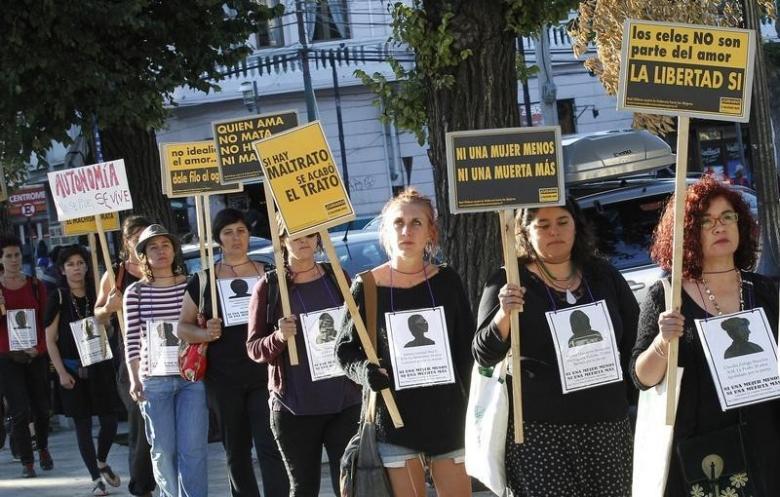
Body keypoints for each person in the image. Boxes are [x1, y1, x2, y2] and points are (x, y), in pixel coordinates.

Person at [473, 197, 638, 497]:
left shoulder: (603, 276)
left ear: (577, 226)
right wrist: (504, 314)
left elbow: (634, 342)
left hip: (608, 428)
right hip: (540, 435)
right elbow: (483, 353)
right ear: (525, 231)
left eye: (563, 222)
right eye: (543, 225)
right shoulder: (508, 281)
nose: (555, 232)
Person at [632, 177, 780, 497]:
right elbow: (641, 378)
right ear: (687, 234)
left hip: (765, 442)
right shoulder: (667, 295)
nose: (720, 227)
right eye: (706, 221)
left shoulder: (765, 290)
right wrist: (662, 342)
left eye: (728, 217)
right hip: (701, 449)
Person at [336, 188, 475, 497]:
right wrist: (365, 372)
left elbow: (467, 351)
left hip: (449, 417)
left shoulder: (448, 282)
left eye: (416, 223)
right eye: (398, 222)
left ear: (430, 232)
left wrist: (477, 412)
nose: (406, 230)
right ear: (386, 231)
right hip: (396, 421)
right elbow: (344, 350)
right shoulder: (367, 286)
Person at [246, 213, 360, 497]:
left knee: (349, 486)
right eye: (295, 235)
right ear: (282, 240)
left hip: (343, 401)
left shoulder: (337, 277)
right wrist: (279, 337)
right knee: (304, 488)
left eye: (309, 235)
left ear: (318, 239)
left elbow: (359, 330)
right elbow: (254, 348)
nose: (303, 241)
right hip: (295, 407)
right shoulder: (270, 287)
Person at [179, 208, 289, 497]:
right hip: (222, 378)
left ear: (249, 234)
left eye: (240, 230)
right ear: (218, 239)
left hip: (264, 372)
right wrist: (205, 333)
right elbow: (182, 328)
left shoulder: (269, 273)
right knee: (236, 449)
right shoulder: (203, 280)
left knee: (270, 444)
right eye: (228, 232)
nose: (236, 237)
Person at [123, 224, 208, 497]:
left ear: (174, 250)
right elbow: (131, 339)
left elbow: (201, 325)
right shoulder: (134, 292)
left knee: (193, 450)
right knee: (162, 450)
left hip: (191, 378)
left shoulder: (192, 284)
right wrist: (135, 378)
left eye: (165, 245)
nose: (160, 251)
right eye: (153, 247)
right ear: (144, 255)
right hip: (154, 381)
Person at [44, 245, 122, 496]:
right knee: (83, 424)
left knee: (110, 420)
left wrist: (107, 316)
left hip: (99, 365)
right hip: (72, 369)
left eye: (80, 263)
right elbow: (50, 339)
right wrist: (61, 372)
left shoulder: (97, 294)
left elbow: (109, 331)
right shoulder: (58, 297)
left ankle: (101, 459)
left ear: (87, 266)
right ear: (62, 270)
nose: (76, 268)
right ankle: (95, 477)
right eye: (70, 264)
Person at [95, 215, 156, 497]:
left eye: (147, 236)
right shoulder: (115, 273)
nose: (141, 242)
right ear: (126, 241)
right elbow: (98, 316)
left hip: (164, 352)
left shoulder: (161, 267)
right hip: (130, 359)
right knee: (141, 424)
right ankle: (141, 486)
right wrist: (109, 306)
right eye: (136, 237)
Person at [0, 235, 52, 478]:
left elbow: (46, 322)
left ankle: (42, 447)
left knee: (41, 409)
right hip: (8, 358)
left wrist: (40, 348)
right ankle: (27, 461)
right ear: (1, 259)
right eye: (8, 256)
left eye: (17, 255)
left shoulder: (35, 285)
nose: (13, 260)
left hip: (35, 355)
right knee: (19, 411)